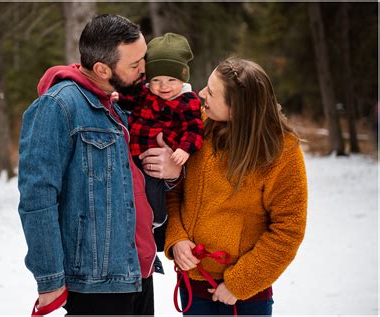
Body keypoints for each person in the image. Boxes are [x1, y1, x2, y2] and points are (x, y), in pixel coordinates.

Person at [18, 14, 181, 315]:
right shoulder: (58, 107)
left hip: (138, 272)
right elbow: (37, 198)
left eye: (143, 58)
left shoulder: (122, 104)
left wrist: (171, 171)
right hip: (96, 282)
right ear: (102, 69)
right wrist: (49, 279)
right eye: (135, 65)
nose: (145, 69)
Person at [163, 57, 308, 315]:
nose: (201, 93)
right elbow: (175, 191)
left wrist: (239, 283)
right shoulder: (196, 127)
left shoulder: (282, 150)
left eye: (211, 92)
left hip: (248, 296)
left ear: (237, 108)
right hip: (193, 285)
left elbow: (288, 228)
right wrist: (177, 238)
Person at [115, 32, 204, 251]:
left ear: (182, 78)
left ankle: (157, 221)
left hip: (159, 158)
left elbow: (194, 128)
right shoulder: (145, 94)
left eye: (171, 80)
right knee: (133, 191)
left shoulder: (187, 101)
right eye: (156, 80)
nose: (163, 87)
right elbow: (130, 101)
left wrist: (185, 149)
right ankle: (137, 224)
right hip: (135, 152)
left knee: (153, 188)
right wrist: (119, 97)